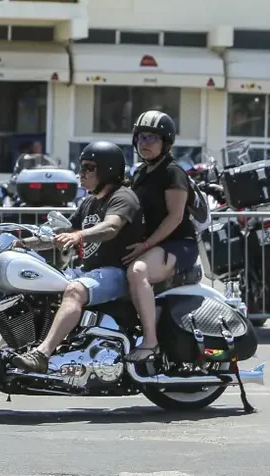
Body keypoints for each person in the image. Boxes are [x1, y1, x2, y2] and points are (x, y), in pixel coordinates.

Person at [11, 141, 144, 373]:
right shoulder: (89, 202)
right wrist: (22, 244)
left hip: (117, 273)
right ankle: (13, 350)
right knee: (37, 285)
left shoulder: (123, 197)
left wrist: (79, 236)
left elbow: (111, 227)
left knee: (75, 290)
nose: (80, 174)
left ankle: (42, 354)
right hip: (90, 272)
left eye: (88, 168)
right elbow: (60, 235)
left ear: (108, 170)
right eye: (81, 167)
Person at [122, 110, 200, 362]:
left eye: (152, 138)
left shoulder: (172, 172)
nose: (144, 143)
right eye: (141, 137)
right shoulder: (141, 173)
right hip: (153, 244)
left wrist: (146, 244)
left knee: (138, 271)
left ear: (165, 142)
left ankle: (151, 341)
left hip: (177, 245)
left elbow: (175, 217)